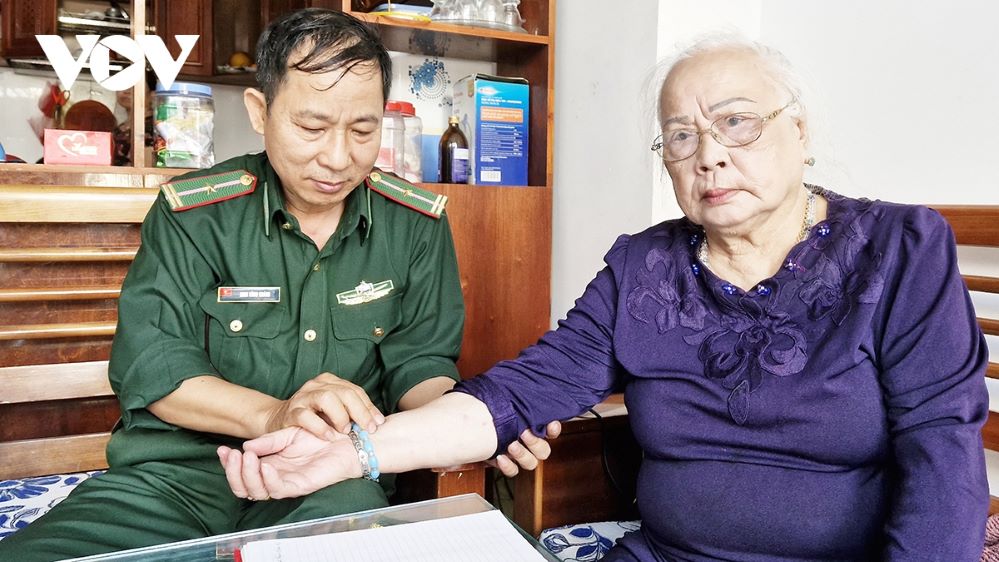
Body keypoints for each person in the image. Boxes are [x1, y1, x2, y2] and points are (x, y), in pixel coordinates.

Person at [219, 35, 991, 561]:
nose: (709, 155)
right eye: (680, 137)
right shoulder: (644, 265)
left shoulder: (900, 250)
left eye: (737, 124)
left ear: (799, 131)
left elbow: (942, 456)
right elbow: (518, 392)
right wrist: (351, 452)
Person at [0, 8, 556, 561]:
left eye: (362, 130)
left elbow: (420, 364)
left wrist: (477, 420)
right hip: (174, 481)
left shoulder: (414, 224)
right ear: (260, 112)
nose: (338, 158)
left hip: (329, 481)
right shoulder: (195, 215)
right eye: (312, 128)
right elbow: (154, 368)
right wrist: (274, 415)